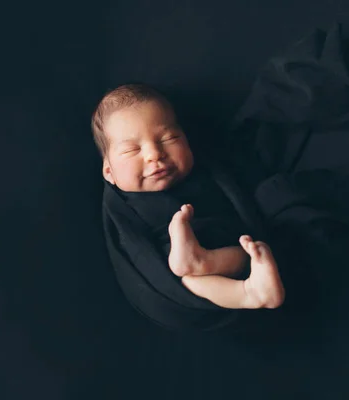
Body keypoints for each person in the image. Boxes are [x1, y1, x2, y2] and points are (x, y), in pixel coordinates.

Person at [92, 83, 286, 311]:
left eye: (168, 138)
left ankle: (204, 261)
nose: (154, 154)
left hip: (230, 250)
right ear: (109, 172)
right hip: (176, 272)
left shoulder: (208, 173)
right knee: (188, 278)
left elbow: (242, 203)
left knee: (251, 249)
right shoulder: (124, 207)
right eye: (131, 150)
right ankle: (250, 294)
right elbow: (137, 254)